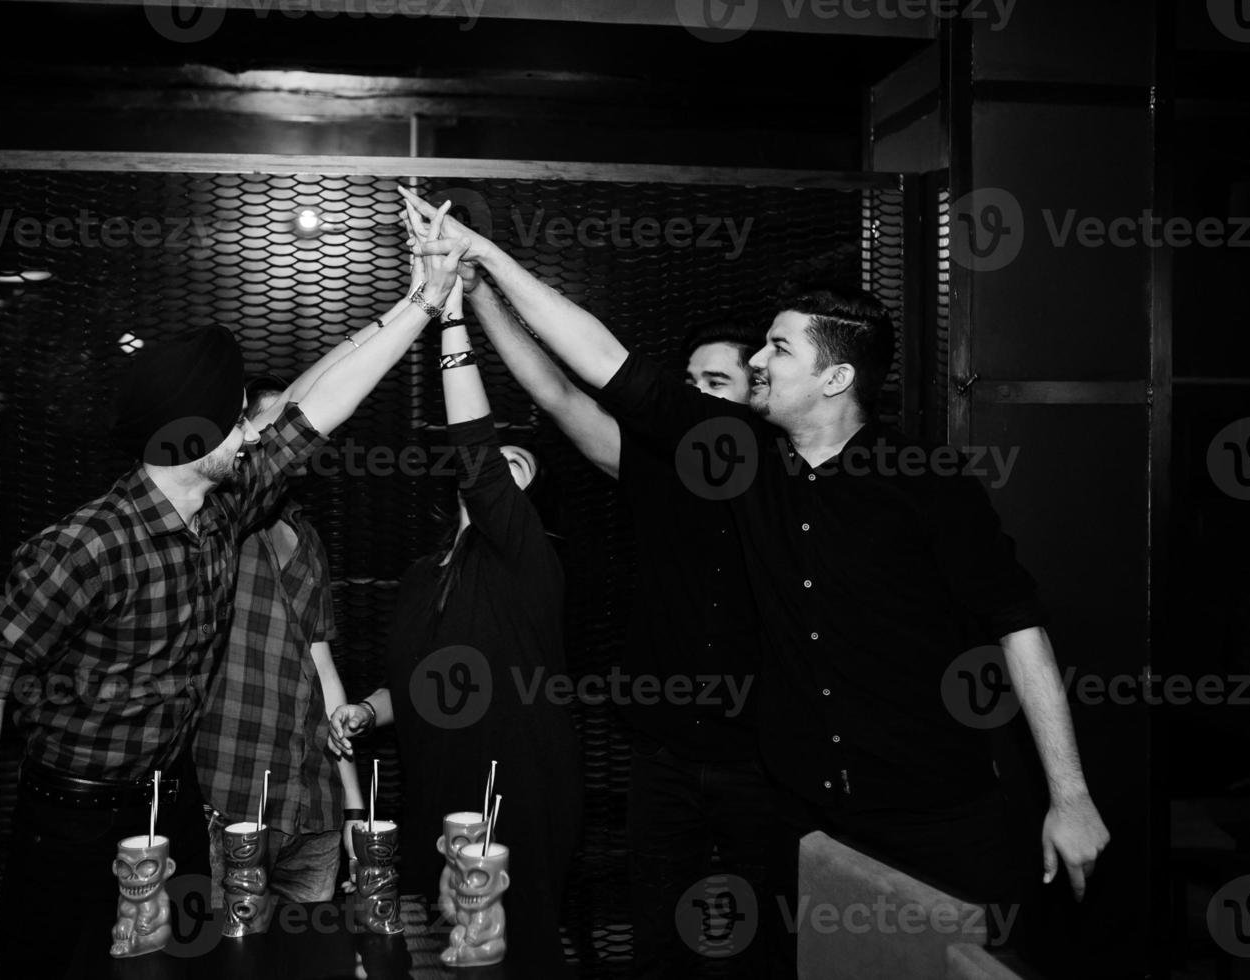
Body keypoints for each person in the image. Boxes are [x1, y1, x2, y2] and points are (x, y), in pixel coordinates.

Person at [400, 186, 1110, 971]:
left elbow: (1016, 622)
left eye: (778, 350)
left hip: (937, 805)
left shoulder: (927, 481)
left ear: (835, 380)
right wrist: (483, 261)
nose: (758, 362)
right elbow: (600, 365)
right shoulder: (740, 458)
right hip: (814, 810)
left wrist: (1069, 796)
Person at [0, 200, 468, 979]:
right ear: (193, 435)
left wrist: (420, 300)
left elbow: (318, 412)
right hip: (68, 815)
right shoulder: (83, 547)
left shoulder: (224, 506)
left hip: (170, 800)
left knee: (189, 969)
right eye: (236, 421)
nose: (251, 433)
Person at [466, 275, 771, 977]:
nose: (693, 395)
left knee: (764, 939)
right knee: (657, 938)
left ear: (759, 393)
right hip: (663, 751)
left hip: (763, 755)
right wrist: (481, 298)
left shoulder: (784, 480)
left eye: (714, 381)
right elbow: (559, 394)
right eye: (687, 380)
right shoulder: (658, 466)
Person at [328, 218, 583, 970]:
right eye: (490, 464)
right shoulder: (423, 572)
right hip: (435, 792)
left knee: (513, 956)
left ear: (527, 484)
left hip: (517, 797)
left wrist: (448, 314)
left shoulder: (526, 557)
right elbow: (422, 683)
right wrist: (365, 709)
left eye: (511, 462)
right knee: (442, 955)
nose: (492, 472)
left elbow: (472, 447)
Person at [192, 371, 364, 907]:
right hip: (230, 795)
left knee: (313, 960)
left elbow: (323, 666)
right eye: (280, 423)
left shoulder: (309, 538)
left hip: (312, 805)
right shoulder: (214, 527)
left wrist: (355, 809)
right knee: (229, 961)